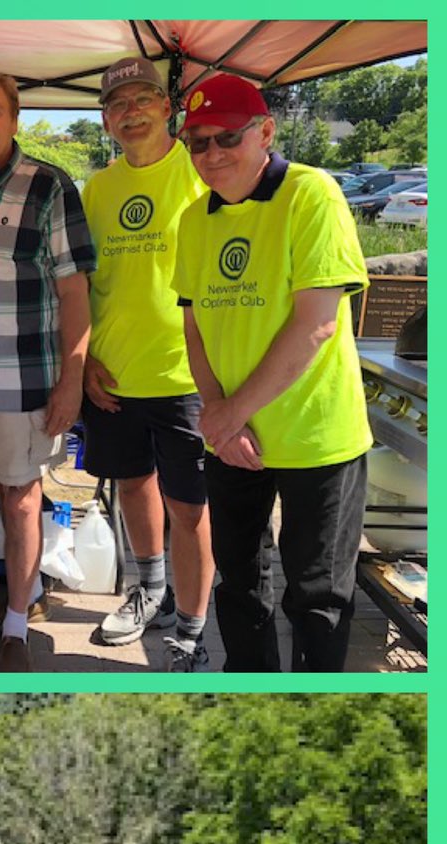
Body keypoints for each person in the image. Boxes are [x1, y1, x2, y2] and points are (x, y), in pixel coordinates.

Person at [173, 72, 371, 672]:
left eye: (226, 138)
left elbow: (317, 323)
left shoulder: (312, 194)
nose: (211, 155)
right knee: (238, 583)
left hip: (316, 437)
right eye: (197, 142)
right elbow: (195, 327)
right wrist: (219, 419)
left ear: (265, 132)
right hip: (233, 441)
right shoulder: (193, 220)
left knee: (318, 598)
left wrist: (228, 415)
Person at [0, 69, 96, 672]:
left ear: (14, 118)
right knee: (2, 487)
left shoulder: (49, 187)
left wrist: (72, 379)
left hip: (27, 377)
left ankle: (14, 629)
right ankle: (23, 594)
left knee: (24, 499)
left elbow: (76, 294)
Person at [79, 56, 214, 669]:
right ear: (105, 120)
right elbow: (82, 285)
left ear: (167, 107)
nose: (130, 113)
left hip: (189, 377)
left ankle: (191, 622)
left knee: (190, 509)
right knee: (132, 485)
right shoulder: (98, 189)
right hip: (114, 373)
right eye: (117, 105)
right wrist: (83, 361)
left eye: (142, 100)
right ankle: (150, 590)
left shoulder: (203, 170)